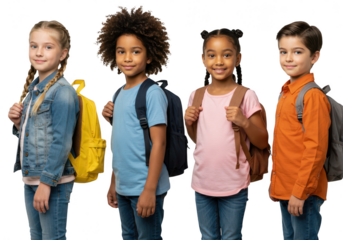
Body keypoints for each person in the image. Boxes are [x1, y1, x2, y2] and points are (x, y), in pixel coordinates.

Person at [95, 4, 172, 239]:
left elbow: (159, 143)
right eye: (121, 51)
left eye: (136, 51)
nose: (127, 58)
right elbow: (121, 144)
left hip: (145, 188)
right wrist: (113, 183)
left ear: (150, 55)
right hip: (123, 186)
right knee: (128, 236)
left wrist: (149, 190)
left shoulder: (152, 93)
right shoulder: (118, 93)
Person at [184, 27, 269, 240]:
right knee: (207, 237)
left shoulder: (247, 95)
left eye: (227, 55)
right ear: (203, 59)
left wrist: (244, 122)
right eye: (212, 55)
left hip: (234, 183)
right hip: (202, 182)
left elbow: (263, 140)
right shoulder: (196, 95)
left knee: (231, 237)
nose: (219, 61)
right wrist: (187, 122)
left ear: (238, 58)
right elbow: (197, 139)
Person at [7, 19, 79, 239]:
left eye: (48, 47)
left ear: (62, 54)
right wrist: (18, 124)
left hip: (51, 181)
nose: (39, 52)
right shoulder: (33, 90)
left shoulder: (62, 92)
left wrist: (46, 184)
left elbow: (61, 142)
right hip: (31, 178)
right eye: (34, 46)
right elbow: (38, 137)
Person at [268, 19, 330, 240]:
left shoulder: (312, 96)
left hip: (303, 193)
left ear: (314, 57)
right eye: (283, 51)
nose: (288, 58)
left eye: (297, 52)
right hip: (285, 189)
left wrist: (300, 192)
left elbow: (315, 150)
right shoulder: (285, 92)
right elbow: (283, 145)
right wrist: (275, 185)